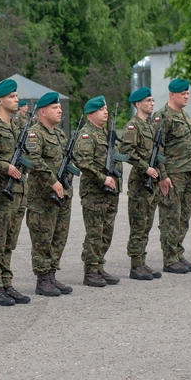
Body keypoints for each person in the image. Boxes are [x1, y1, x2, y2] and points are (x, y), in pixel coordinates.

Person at [0, 79, 31, 306]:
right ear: (0, 101)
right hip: (0, 192)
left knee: (9, 242)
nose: (16, 99)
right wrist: (5, 166)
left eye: (16, 96)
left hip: (18, 192)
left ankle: (6, 282)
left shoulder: (16, 126)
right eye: (12, 97)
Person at [25, 92, 74, 296]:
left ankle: (52, 275)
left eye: (60, 107)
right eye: (55, 108)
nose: (60, 110)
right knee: (43, 238)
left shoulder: (59, 134)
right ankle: (42, 279)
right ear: (43, 111)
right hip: (42, 197)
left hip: (62, 194)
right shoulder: (35, 133)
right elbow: (34, 160)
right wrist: (53, 181)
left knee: (59, 236)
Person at [75, 96, 122, 287]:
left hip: (110, 192)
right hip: (95, 192)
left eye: (106, 109)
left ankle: (99, 266)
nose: (106, 112)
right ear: (90, 113)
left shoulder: (104, 133)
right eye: (101, 109)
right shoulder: (87, 135)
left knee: (106, 232)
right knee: (95, 233)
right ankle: (90, 271)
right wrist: (103, 178)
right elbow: (84, 163)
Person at [156, 79, 191, 275]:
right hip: (173, 175)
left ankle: (178, 254)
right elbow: (157, 148)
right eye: (182, 93)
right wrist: (162, 176)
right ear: (172, 94)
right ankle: (170, 258)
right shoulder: (162, 116)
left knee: (183, 217)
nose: (186, 96)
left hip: (188, 173)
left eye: (187, 93)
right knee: (170, 217)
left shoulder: (184, 115)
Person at [120, 88, 162, 281]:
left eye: (153, 100)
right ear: (138, 104)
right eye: (147, 101)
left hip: (151, 183)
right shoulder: (133, 126)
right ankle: (136, 265)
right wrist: (146, 168)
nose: (152, 103)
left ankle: (142, 262)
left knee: (147, 224)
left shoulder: (150, 126)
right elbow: (127, 151)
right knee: (138, 224)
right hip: (140, 183)